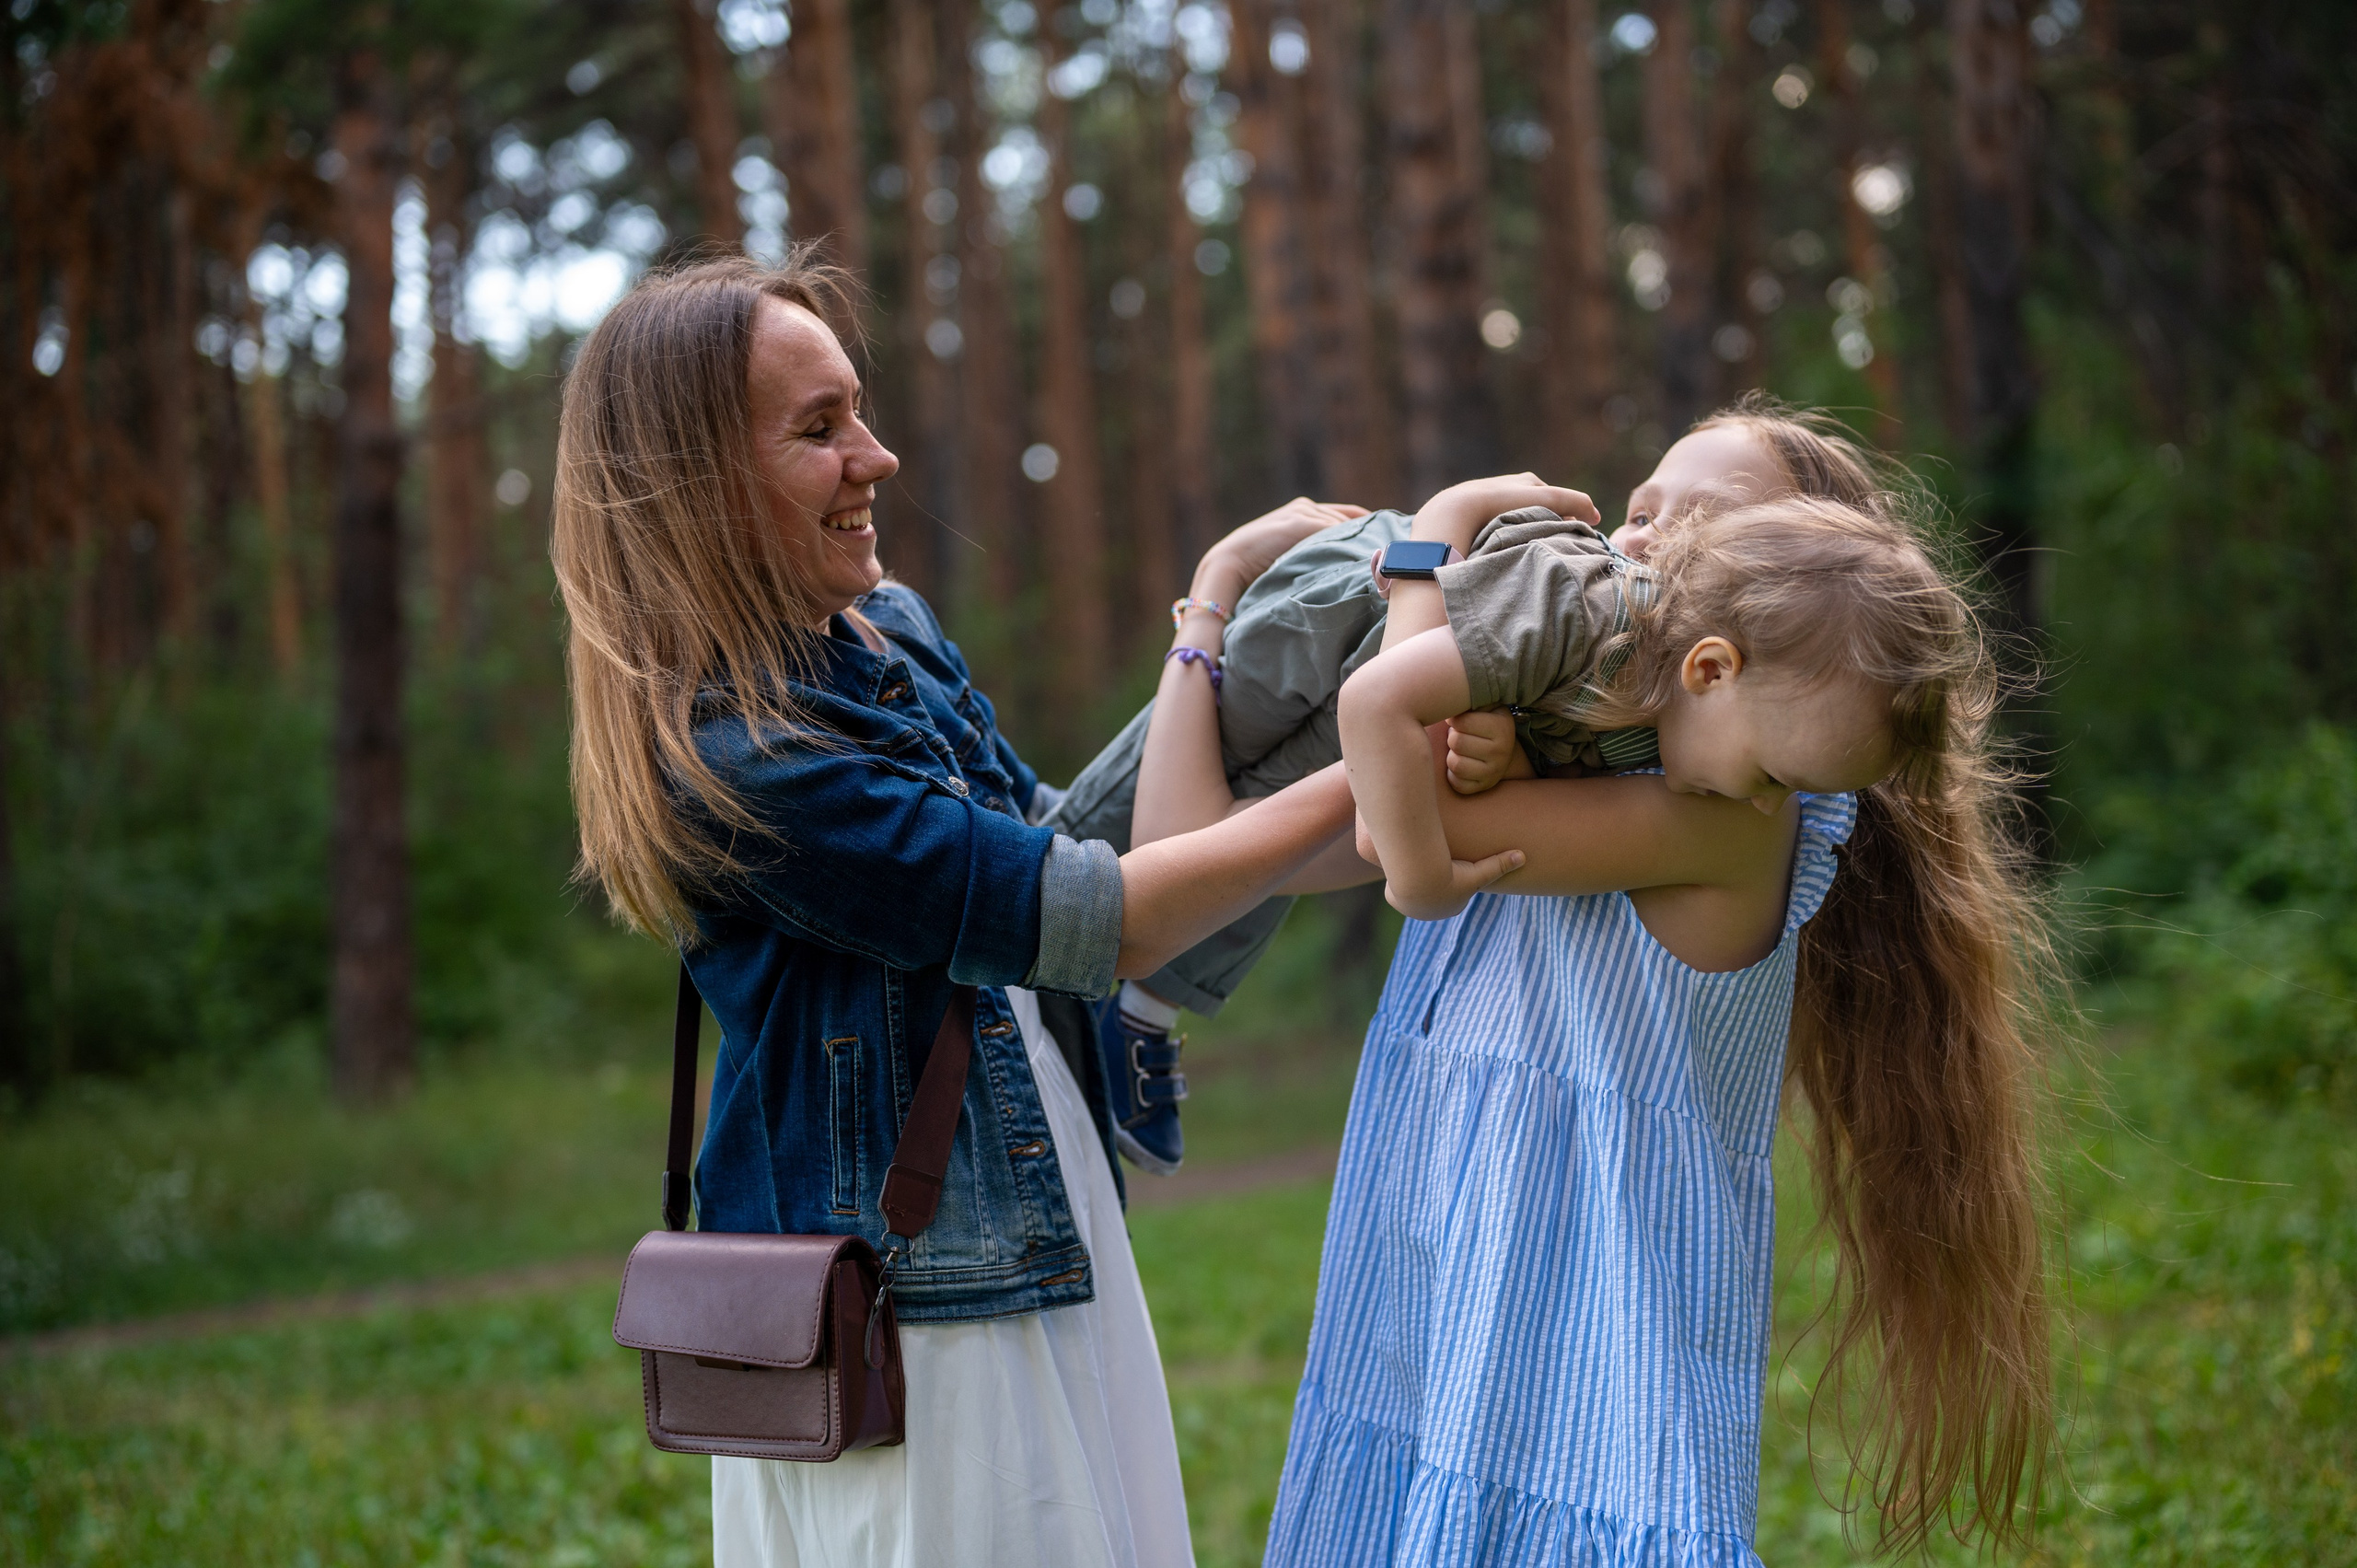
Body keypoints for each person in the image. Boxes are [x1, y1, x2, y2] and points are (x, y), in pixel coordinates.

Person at [549, 253, 1398, 1568]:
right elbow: (1102, 916)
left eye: (860, 410)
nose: (876, 457)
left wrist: (1226, 595)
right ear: (698, 488)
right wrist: (1374, 749)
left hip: (1030, 1195)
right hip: (917, 1295)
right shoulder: (734, 754)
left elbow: (1086, 842)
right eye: (819, 429)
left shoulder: (886, 632)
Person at [1249, 484, 2057, 1564]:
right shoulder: (1601, 697)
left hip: (1588, 1314)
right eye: (1770, 774)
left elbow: (1398, 803)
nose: (1766, 796)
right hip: (1466, 1238)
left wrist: (1433, 545)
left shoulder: (1721, 821)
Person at [1051, 398, 1888, 1174]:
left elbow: (1360, 806)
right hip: (1471, 1166)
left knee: (1310, 704)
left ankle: (1073, 913)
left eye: (1700, 533)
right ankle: (1096, 953)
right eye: (1639, 514)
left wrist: (1431, 536)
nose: (1638, 544)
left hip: (1542, 1191)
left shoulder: (1730, 798)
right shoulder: (1609, 685)